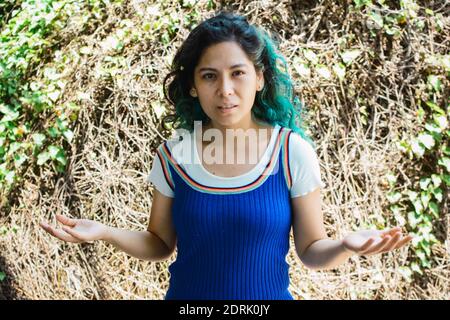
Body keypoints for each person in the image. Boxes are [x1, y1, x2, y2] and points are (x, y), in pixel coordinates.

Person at [40, 12, 413, 300]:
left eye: (238, 73)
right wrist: (104, 232)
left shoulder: (289, 153)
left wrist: (346, 245)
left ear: (260, 77)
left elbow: (312, 251)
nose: (225, 90)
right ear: (192, 84)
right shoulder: (176, 154)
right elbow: (159, 243)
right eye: (209, 76)